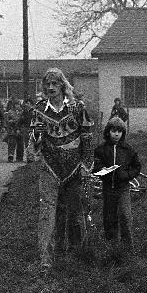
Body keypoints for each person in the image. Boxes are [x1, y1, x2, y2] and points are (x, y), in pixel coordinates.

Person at [30, 68, 94, 268]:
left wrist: (86, 164)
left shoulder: (77, 108)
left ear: (62, 86)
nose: (50, 88)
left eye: (55, 84)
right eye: (47, 84)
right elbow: (35, 145)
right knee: (47, 213)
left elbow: (87, 138)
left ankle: (79, 255)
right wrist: (37, 136)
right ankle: (46, 260)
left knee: (76, 212)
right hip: (49, 168)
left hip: (74, 169)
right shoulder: (39, 110)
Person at [93, 116, 141, 262]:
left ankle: (128, 249)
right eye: (113, 131)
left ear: (123, 133)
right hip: (108, 189)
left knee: (125, 216)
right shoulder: (101, 149)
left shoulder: (128, 150)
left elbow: (137, 167)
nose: (116, 134)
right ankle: (112, 247)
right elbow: (95, 166)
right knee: (109, 217)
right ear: (108, 132)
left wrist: (126, 175)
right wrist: (102, 170)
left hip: (123, 188)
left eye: (119, 131)